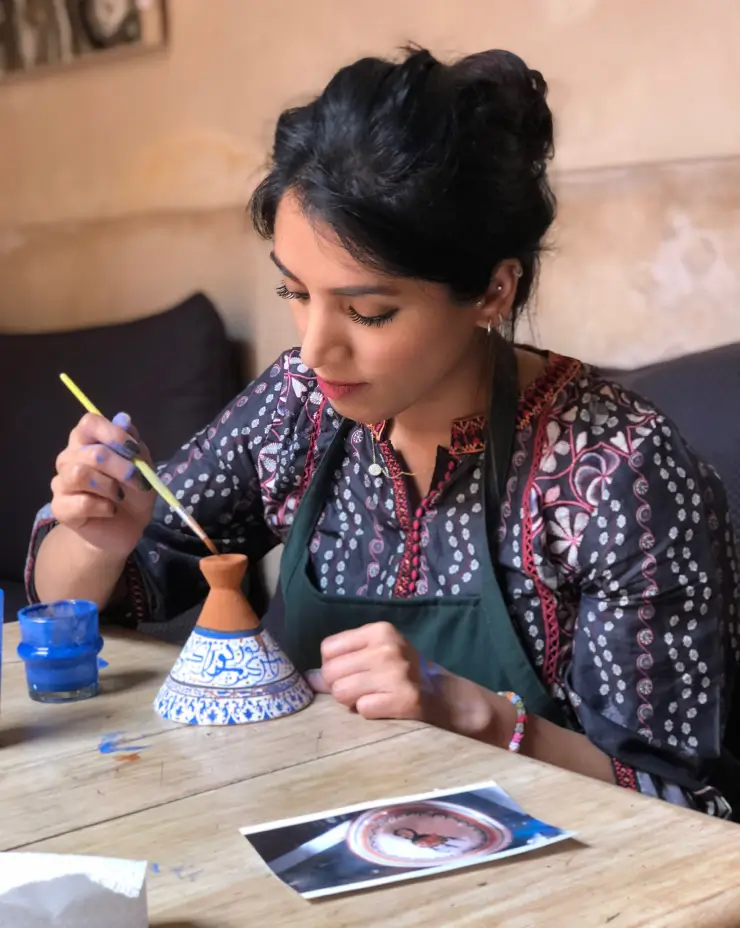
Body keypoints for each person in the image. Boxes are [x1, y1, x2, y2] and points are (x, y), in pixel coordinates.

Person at [27, 46, 740, 818]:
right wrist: (96, 539)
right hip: (291, 830)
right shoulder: (301, 403)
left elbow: (687, 805)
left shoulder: (620, 472)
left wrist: (478, 715)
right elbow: (102, 597)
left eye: (369, 312)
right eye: (295, 293)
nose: (315, 348)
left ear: (494, 291)